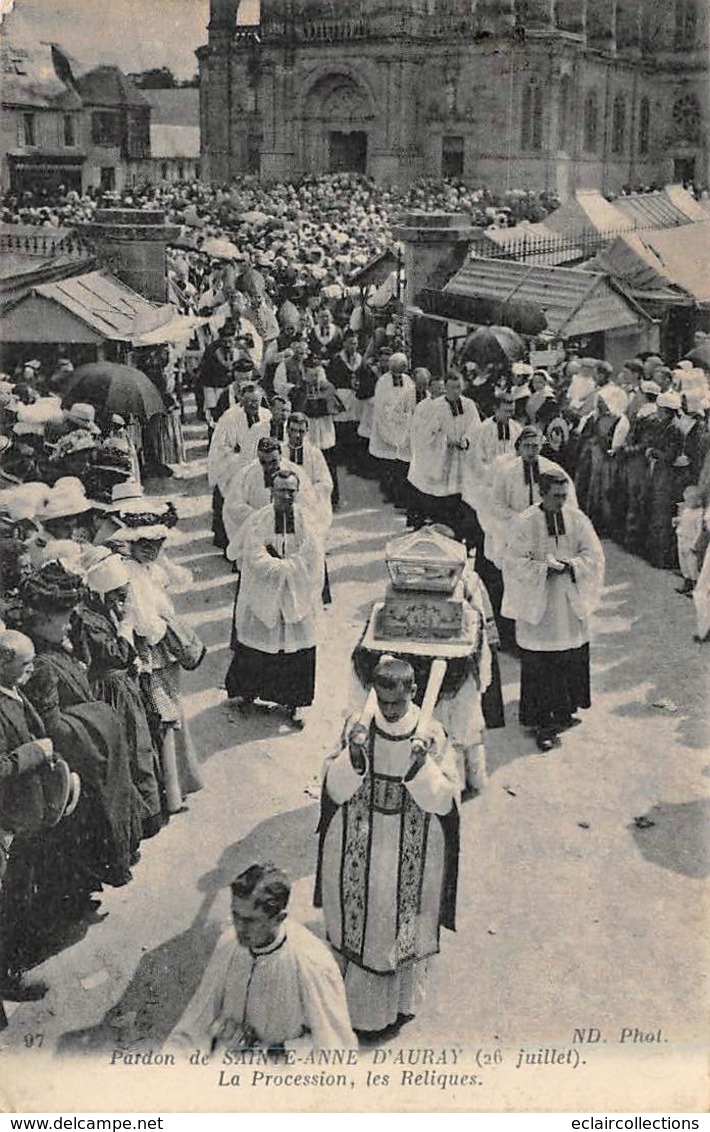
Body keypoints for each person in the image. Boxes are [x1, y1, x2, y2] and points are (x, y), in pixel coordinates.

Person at [315, 656, 460, 1036]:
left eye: (398, 703)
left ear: (414, 692)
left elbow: (446, 799)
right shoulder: (357, 728)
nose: (390, 711)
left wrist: (421, 766)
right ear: (373, 694)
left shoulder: (433, 735)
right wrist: (355, 757)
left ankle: (398, 1005)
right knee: (362, 924)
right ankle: (357, 1009)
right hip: (362, 844)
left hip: (410, 849)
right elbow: (331, 784)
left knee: (398, 925)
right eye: (383, 702)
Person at [168, 863, 356, 1053]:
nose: (239, 927)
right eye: (236, 915)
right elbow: (197, 1020)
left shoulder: (311, 962)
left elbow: (337, 1047)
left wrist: (279, 1052)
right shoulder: (229, 943)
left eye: (250, 920)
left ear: (279, 918)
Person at [502, 470, 605, 752]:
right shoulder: (525, 523)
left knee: (568, 656)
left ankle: (563, 712)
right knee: (542, 663)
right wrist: (543, 567)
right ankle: (541, 724)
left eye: (565, 495)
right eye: (556, 496)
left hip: (568, 602)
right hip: (540, 604)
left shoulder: (577, 519)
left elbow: (593, 555)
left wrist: (573, 565)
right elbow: (512, 562)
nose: (562, 502)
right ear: (542, 494)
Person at [226, 469, 324, 727]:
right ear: (271, 491)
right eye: (281, 490)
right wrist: (283, 569)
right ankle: (248, 694)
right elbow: (254, 555)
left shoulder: (306, 520)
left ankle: (295, 703)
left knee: (296, 647)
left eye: (291, 491)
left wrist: (289, 568)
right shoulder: (259, 520)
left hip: (295, 593)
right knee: (258, 641)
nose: (286, 496)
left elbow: (313, 553)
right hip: (265, 591)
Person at [369, 352, 416, 507]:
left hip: (403, 424)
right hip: (387, 423)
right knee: (388, 461)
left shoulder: (408, 380)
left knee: (401, 461)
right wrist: (388, 424)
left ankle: (399, 494)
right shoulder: (383, 381)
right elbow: (381, 405)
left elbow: (411, 398)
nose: (404, 368)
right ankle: (388, 491)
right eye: (401, 365)